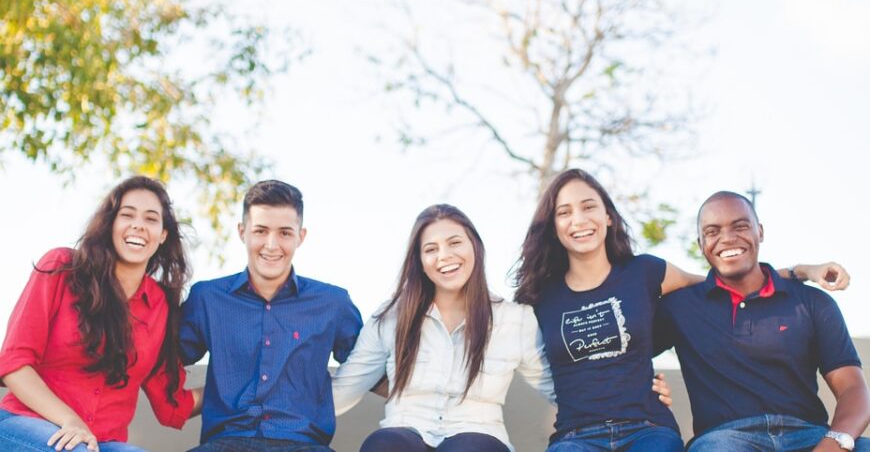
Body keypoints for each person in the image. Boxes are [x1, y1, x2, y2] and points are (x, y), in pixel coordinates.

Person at [512, 168, 847, 452]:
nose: (579, 220)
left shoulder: (645, 272)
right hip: (575, 436)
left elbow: (724, 281)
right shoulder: (541, 296)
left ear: (608, 217)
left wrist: (800, 271)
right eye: (564, 211)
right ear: (553, 225)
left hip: (647, 428)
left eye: (589, 207)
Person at [331, 204, 672, 452]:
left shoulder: (514, 320)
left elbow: (564, 387)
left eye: (454, 243)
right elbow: (344, 389)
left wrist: (635, 391)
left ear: (474, 247)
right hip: (403, 431)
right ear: (419, 261)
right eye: (430, 249)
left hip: (477, 434)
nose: (444, 256)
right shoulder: (391, 317)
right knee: (386, 444)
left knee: (471, 449)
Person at [654, 191, 870, 451]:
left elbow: (852, 389)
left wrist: (836, 442)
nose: (727, 238)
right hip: (725, 441)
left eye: (740, 226)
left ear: (760, 232)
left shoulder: (812, 302)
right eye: (712, 231)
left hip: (810, 435)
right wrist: (648, 390)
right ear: (701, 244)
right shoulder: (679, 307)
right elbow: (618, 354)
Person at [0, 175, 201, 452]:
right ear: (111, 225)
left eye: (151, 219)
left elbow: (172, 407)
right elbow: (14, 363)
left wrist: (243, 385)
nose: (138, 225)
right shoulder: (61, 268)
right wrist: (70, 421)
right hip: (23, 423)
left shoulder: (161, 307)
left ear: (163, 234)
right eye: (127, 215)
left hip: (104, 443)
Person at [180, 179, 363, 452]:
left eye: (285, 233)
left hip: (305, 445)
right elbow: (159, 359)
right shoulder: (207, 298)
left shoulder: (332, 303)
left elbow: (372, 366)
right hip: (223, 444)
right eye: (261, 231)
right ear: (243, 232)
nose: (271, 244)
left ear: (301, 237)